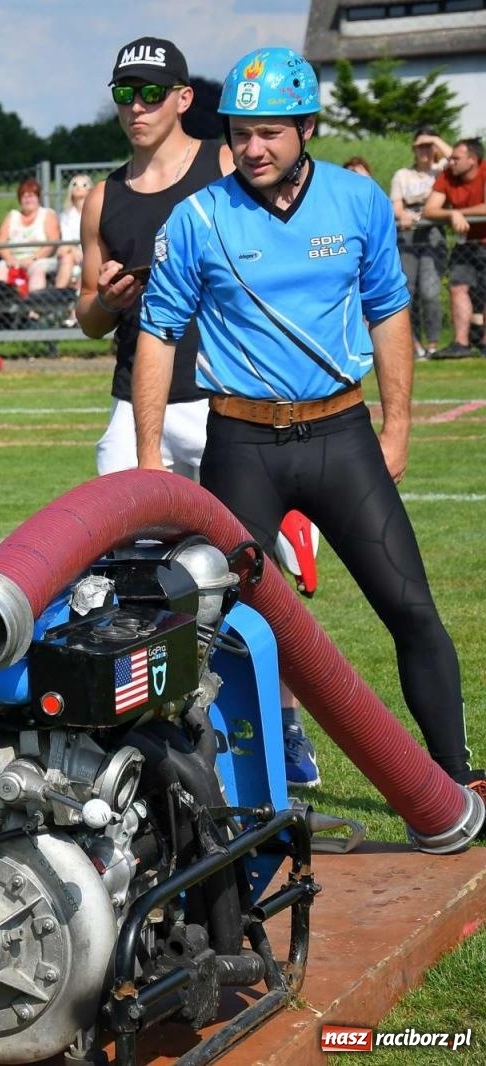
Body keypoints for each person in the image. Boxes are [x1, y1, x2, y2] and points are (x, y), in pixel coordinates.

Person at [133, 46, 485, 798]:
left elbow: (389, 311)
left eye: (269, 132)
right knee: (232, 632)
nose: (251, 147)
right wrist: (148, 455)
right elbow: (158, 333)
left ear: (307, 128)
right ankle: (240, 796)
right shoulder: (198, 217)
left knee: (411, 608)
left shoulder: (356, 202)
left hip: (340, 437)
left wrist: (397, 429)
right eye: (239, 131)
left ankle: (454, 778)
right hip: (241, 447)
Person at [76, 37, 230, 482]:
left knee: (246, 546)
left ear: (183, 98)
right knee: (126, 547)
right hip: (136, 401)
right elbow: (89, 319)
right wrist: (107, 301)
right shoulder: (103, 197)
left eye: (151, 93)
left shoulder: (225, 167)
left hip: (223, 396)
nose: (136, 107)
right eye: (124, 94)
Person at [424, 138, 486, 359]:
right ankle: (461, 343)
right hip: (465, 244)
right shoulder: (447, 176)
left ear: (473, 160)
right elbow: (429, 210)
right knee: (457, 287)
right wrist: (452, 213)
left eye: (456, 158)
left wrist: (462, 212)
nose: (450, 162)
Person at [392, 130, 451, 360]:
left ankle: (434, 344)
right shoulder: (403, 175)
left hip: (432, 234)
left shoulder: (442, 172)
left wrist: (435, 140)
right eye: (420, 146)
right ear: (413, 149)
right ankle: (413, 343)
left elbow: (455, 157)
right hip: (407, 236)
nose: (424, 150)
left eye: (429, 146)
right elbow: (397, 207)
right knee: (408, 292)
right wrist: (404, 215)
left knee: (430, 291)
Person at [0, 178, 61, 292]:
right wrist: (10, 259)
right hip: (14, 259)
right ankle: (2, 305)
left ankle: (34, 306)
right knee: (1, 268)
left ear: (38, 197)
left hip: (40, 258)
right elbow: (1, 243)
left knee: (37, 269)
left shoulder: (47, 214)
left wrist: (33, 259)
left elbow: (52, 243)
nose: (28, 199)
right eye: (24, 196)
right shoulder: (12, 216)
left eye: (31, 195)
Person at [55, 174, 93, 295]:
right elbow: (66, 240)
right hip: (73, 253)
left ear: (90, 190)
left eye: (84, 185)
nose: (78, 187)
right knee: (67, 257)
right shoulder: (65, 215)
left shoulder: (96, 213)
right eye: (74, 184)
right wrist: (74, 250)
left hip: (90, 252)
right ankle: (57, 296)